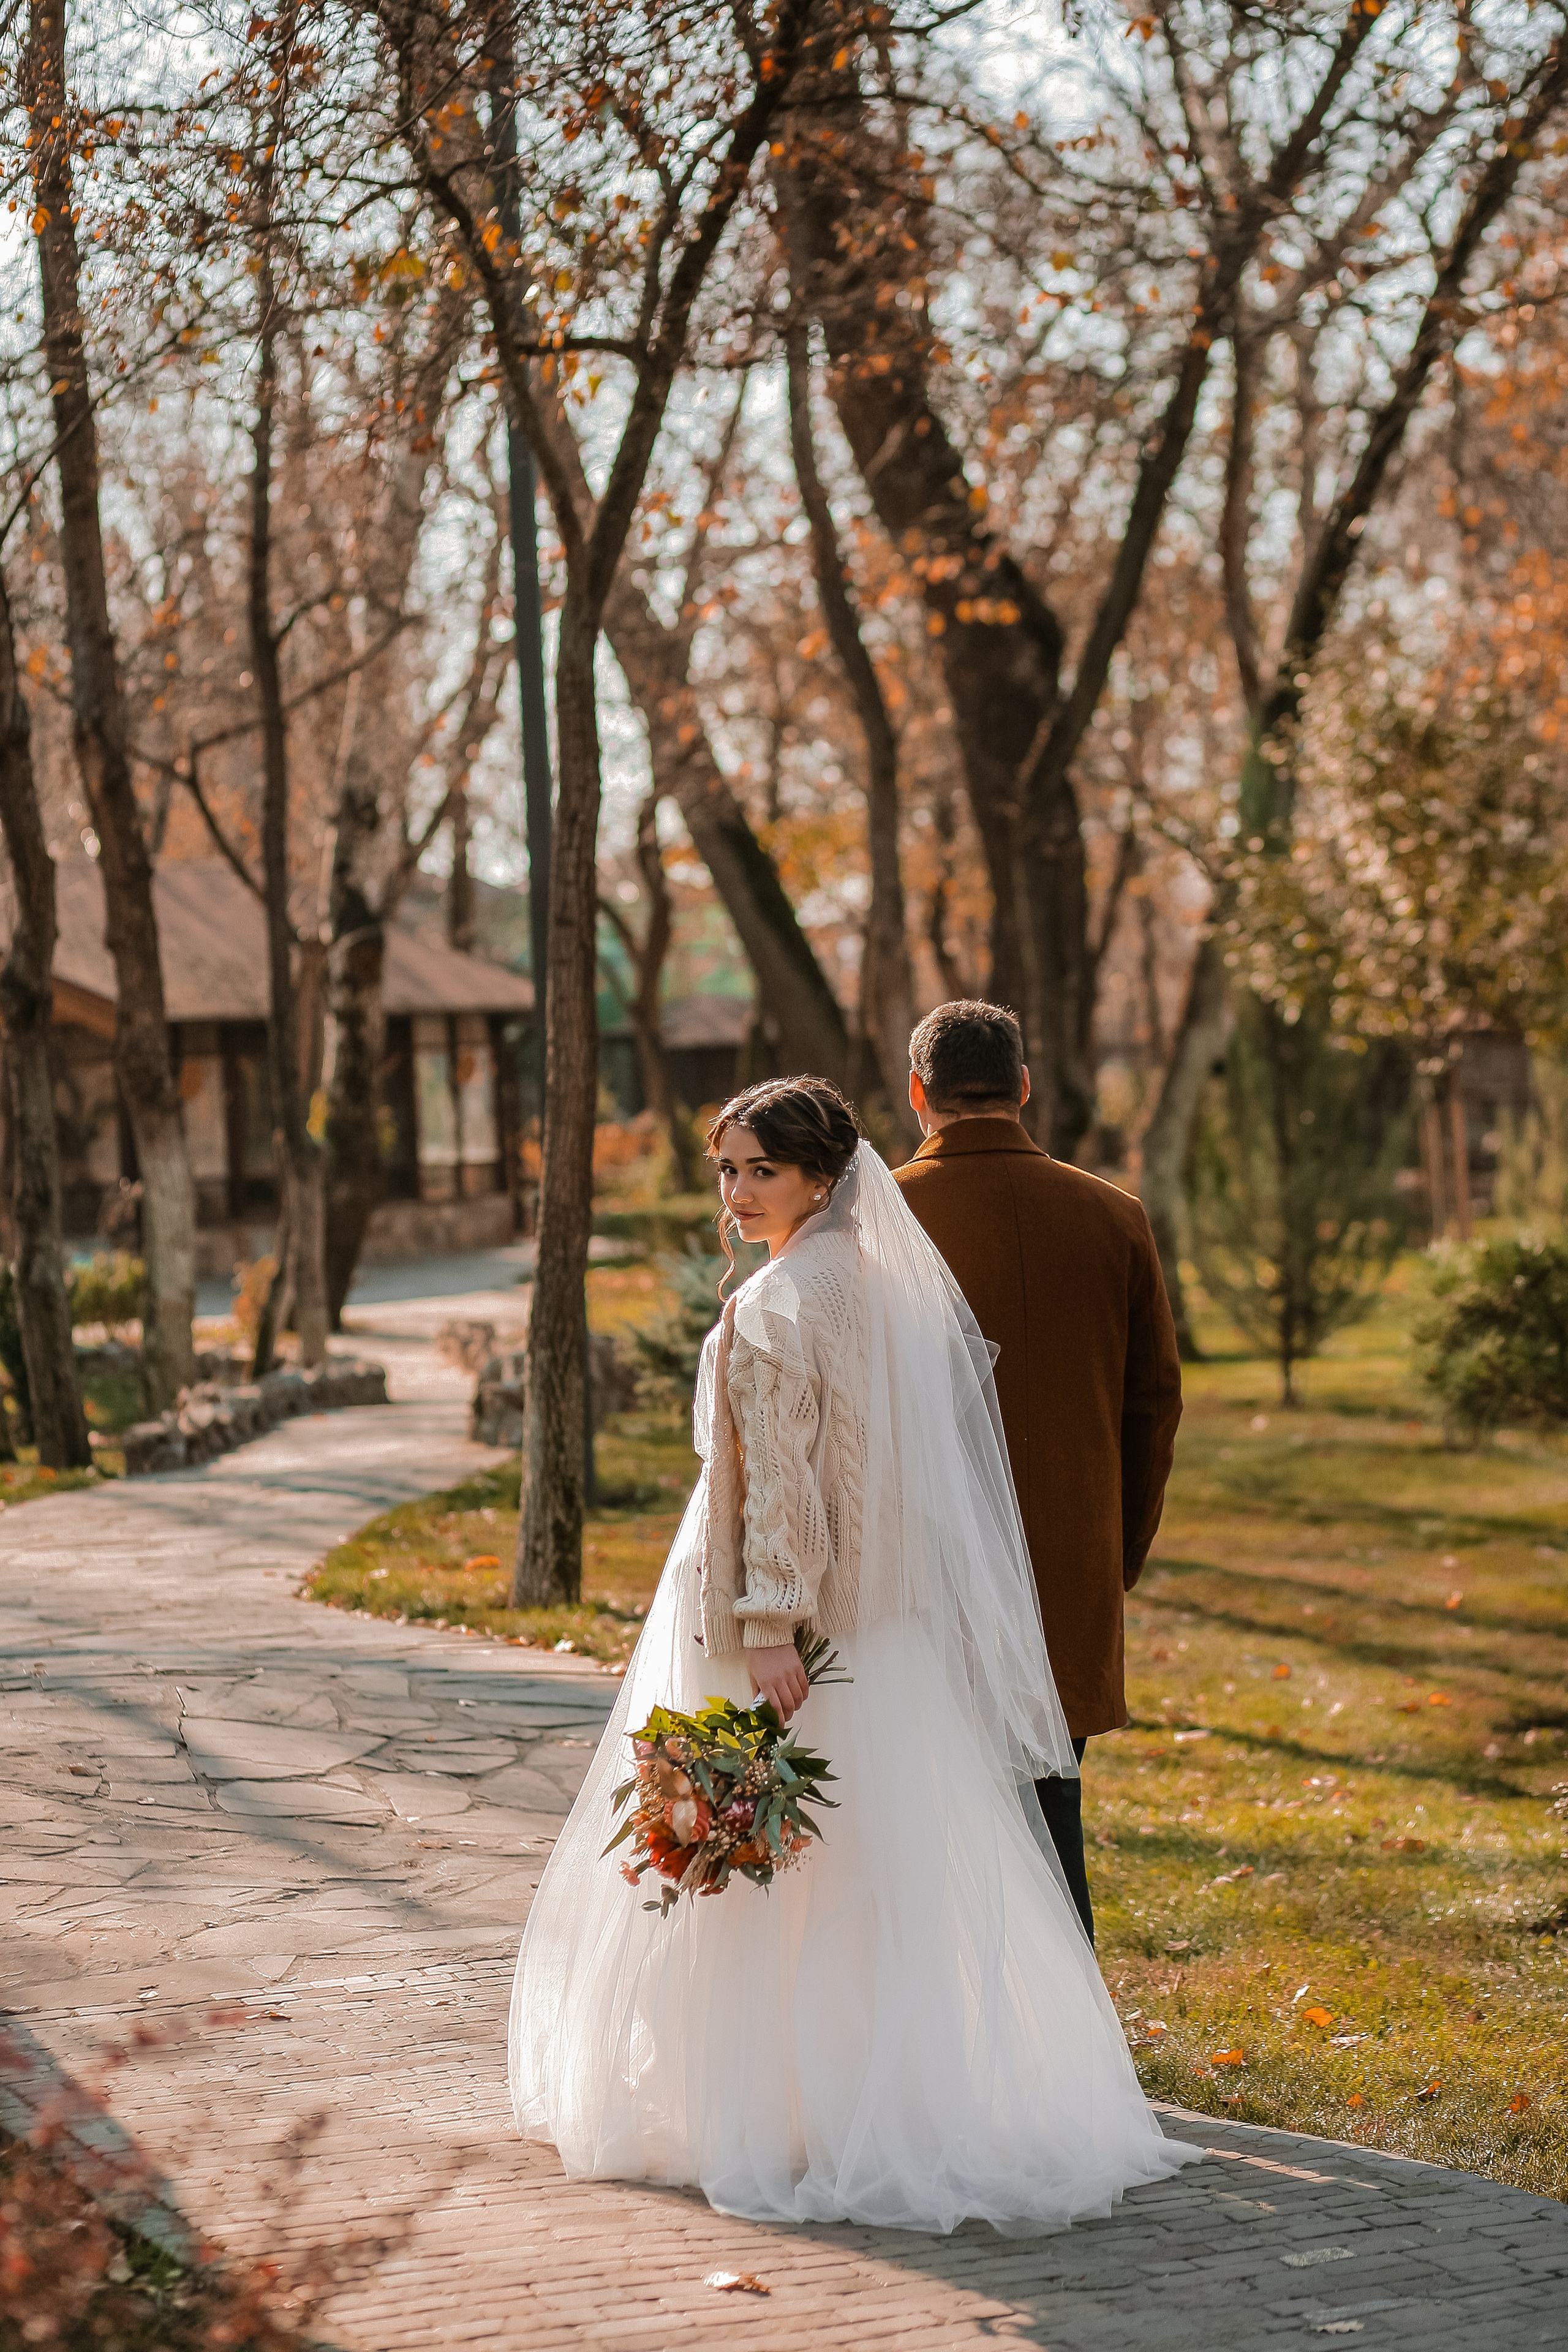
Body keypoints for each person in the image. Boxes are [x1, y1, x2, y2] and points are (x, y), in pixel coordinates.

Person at [510, 1074, 1199, 2233]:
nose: (735, 1192)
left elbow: (782, 1484)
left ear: (822, 1178)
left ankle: (788, 2106)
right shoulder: (886, 1290)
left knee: (784, 1864)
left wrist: (773, 1623)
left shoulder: (780, 1303)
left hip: (792, 1626)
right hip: (884, 1618)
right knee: (875, 1866)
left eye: (759, 1170)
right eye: (726, 1168)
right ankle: (883, 2093)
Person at [894, 1002, 1183, 1945]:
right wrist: (1116, 1554)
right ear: (1023, 1087)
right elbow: (1154, 1406)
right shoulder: (1115, 1216)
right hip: (1070, 1565)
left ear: (917, 1094)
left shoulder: (878, 1220)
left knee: (929, 1821)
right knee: (1053, 1810)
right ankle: (1068, 2054)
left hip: (921, 1569)